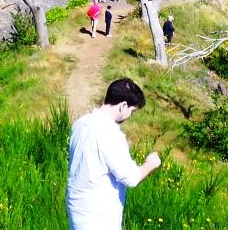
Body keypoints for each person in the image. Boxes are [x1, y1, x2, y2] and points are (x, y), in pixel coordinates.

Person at [66, 78, 161, 230]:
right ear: (123, 106)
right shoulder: (110, 134)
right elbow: (131, 178)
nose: (130, 116)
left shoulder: (81, 123)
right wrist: (151, 163)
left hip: (78, 212)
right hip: (98, 219)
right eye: (132, 111)